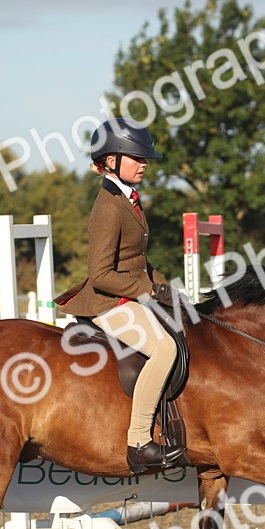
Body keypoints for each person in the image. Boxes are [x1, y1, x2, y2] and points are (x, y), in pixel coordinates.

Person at [54, 118, 184, 473]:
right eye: (137, 158)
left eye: (145, 159)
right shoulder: (108, 206)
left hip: (129, 295)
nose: (144, 164)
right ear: (111, 160)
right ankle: (139, 440)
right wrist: (147, 290)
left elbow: (137, 259)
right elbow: (101, 274)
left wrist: (169, 290)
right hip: (108, 301)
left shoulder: (129, 199)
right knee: (165, 348)